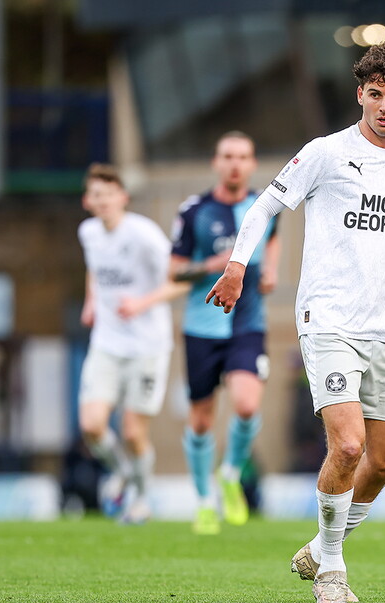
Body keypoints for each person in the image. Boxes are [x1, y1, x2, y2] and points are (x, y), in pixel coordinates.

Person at [206, 45, 385, 603]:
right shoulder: (326, 154)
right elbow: (262, 208)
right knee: (350, 444)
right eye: (374, 95)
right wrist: (237, 264)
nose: (384, 106)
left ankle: (320, 544)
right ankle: (332, 571)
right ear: (360, 94)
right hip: (327, 320)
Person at [119, 131, 280, 535]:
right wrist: (215, 265)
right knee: (202, 419)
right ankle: (205, 501)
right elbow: (174, 271)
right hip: (202, 326)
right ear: (216, 161)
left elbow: (272, 238)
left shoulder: (263, 206)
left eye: (243, 156)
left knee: (246, 405)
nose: (235, 164)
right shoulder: (194, 212)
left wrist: (272, 269)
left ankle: (229, 474)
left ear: (252, 162)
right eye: (228, 156)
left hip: (247, 323)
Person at [77, 163, 173, 524]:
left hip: (148, 346)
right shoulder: (88, 233)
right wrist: (91, 301)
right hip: (106, 342)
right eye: (95, 195)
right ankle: (122, 473)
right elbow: (95, 268)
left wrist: (141, 303)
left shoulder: (144, 235)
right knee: (92, 425)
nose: (102, 202)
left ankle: (142, 497)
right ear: (87, 201)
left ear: (123, 197)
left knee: (133, 433)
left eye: (108, 195)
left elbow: (178, 279)